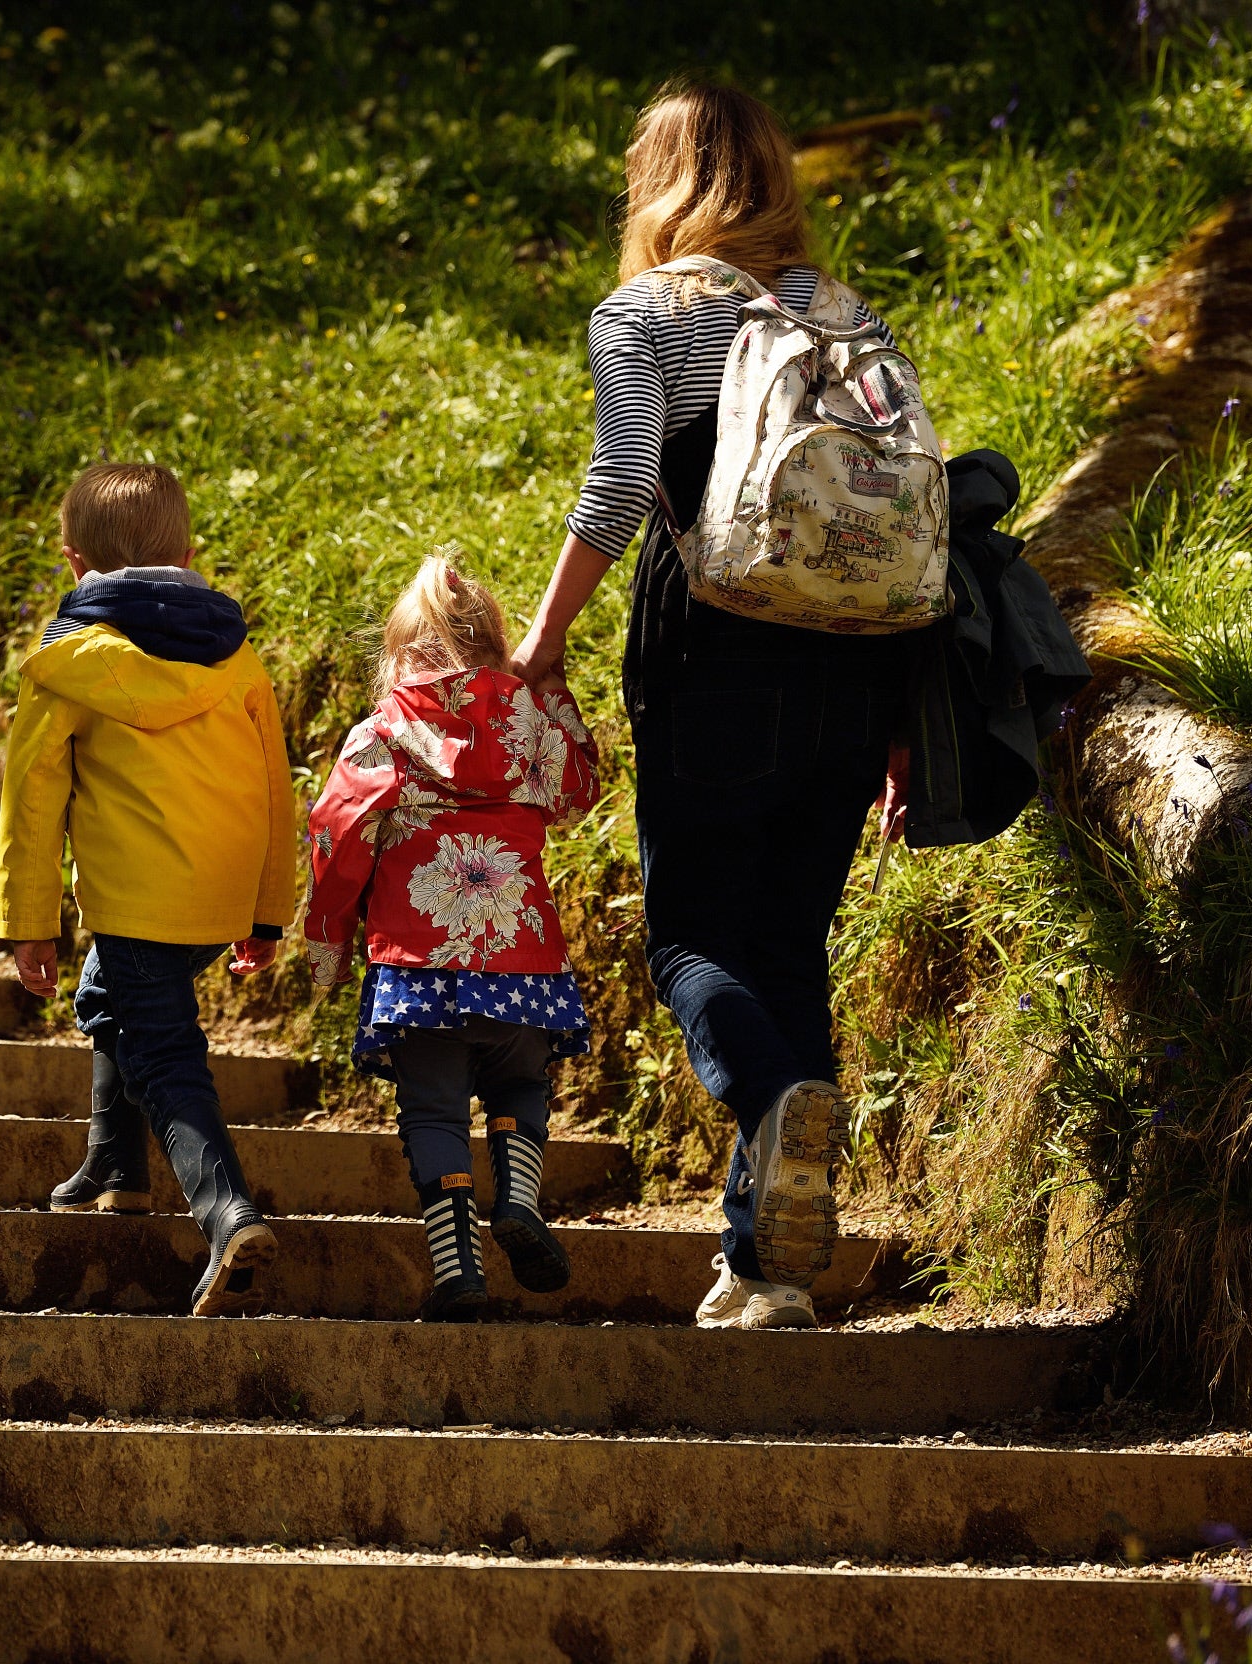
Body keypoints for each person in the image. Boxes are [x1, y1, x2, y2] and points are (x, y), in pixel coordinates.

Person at [505, 81, 913, 1332]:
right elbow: (906, 506)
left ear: (660, 179)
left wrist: (540, 639)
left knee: (689, 935)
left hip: (714, 642)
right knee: (786, 937)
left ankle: (776, 1092)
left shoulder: (643, 312)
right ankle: (767, 1267)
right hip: (859, 649)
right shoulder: (852, 317)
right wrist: (904, 708)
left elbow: (622, 478)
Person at [0, 460, 298, 1318]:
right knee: (112, 995)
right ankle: (115, 1166)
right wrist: (270, 909)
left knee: (164, 1052)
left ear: (71, 563)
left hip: (137, 897)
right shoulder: (238, 655)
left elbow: (33, 800)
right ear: (191, 554)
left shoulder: (65, 664)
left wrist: (27, 922)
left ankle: (227, 1213)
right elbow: (278, 786)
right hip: (224, 891)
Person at [301, 553, 600, 1321]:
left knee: (432, 1116)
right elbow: (578, 792)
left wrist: (328, 942)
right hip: (522, 960)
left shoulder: (381, 736)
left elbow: (337, 839)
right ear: (497, 653)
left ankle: (458, 1271)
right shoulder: (527, 722)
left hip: (418, 969)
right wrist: (552, 689)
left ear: (400, 655)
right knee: (521, 1086)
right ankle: (522, 1203)